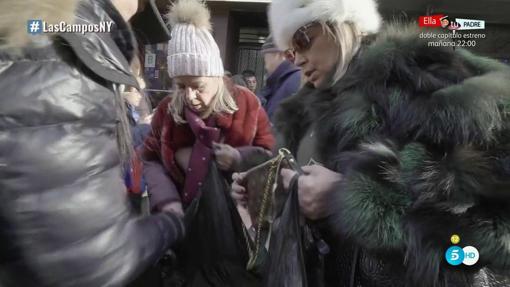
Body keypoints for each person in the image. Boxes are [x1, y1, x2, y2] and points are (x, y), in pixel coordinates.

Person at [232, 0, 510, 286]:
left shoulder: (410, 72)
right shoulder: (301, 114)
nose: (298, 59)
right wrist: (264, 204)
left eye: (303, 41)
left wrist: (344, 197)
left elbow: (478, 191)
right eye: (290, 52)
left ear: (339, 22)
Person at [0, 0, 185, 286]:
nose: (137, 10)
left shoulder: (33, 33)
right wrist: (173, 221)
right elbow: (94, 258)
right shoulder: (65, 60)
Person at [142, 0, 275, 217]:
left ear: (217, 76)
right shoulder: (167, 111)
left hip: (235, 228)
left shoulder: (247, 104)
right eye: (181, 86)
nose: (189, 96)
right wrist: (166, 201)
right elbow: (149, 159)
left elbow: (271, 157)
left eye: (198, 86)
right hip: (180, 226)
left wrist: (239, 159)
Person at [257, 34, 301, 120]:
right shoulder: (282, 81)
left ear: (279, 54)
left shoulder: (294, 82)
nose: (266, 65)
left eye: (266, 57)